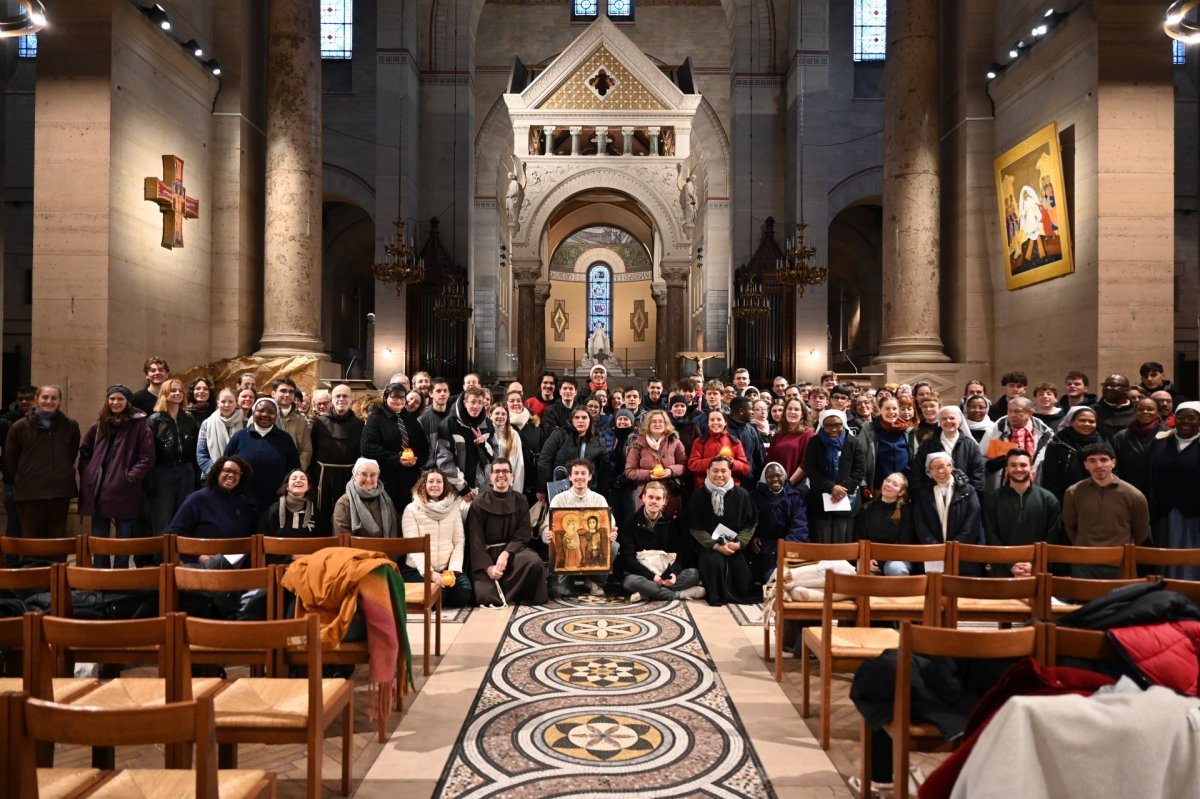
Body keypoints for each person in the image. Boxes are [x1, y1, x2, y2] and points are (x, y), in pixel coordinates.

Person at [78, 386, 155, 568]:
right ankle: (100, 576)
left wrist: (129, 478)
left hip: (124, 490)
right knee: (99, 538)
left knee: (124, 538)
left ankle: (120, 580)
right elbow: (85, 452)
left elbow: (147, 457)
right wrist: (89, 473)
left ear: (127, 402)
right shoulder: (99, 426)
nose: (116, 402)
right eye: (112, 399)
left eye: (120, 399)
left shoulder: (140, 427)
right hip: (98, 489)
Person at [465, 458, 548, 606]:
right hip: (486, 555)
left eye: (505, 471)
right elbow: (475, 541)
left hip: (513, 552)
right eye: (497, 471)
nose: (501, 475)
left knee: (535, 563)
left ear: (512, 476)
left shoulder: (520, 500)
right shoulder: (478, 502)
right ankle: (503, 591)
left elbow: (523, 533)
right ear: (490, 476)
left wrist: (506, 553)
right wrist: (488, 568)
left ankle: (518, 593)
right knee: (485, 596)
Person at [1062, 442, 1150, 577]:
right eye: (1092, 461)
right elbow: (1070, 525)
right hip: (1084, 564)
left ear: (1113, 463)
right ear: (1085, 465)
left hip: (1121, 563)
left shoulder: (1134, 495)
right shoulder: (1073, 493)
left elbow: (1141, 532)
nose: (1098, 466)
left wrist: (1121, 553)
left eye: (1104, 460)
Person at [687, 457, 758, 606]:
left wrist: (739, 543)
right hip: (708, 547)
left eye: (723, 471)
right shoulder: (698, 496)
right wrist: (715, 546)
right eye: (715, 471)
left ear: (730, 472)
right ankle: (716, 595)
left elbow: (750, 524)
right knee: (714, 562)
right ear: (708, 472)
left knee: (740, 570)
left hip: (735, 546)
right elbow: (695, 528)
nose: (719, 475)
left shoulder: (742, 495)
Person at [618, 481, 703, 602]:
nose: (654, 501)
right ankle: (678, 595)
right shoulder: (630, 523)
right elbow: (628, 559)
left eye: (658, 498)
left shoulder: (671, 524)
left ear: (664, 501)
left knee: (694, 573)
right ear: (643, 498)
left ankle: (648, 592)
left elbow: (679, 555)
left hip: (665, 573)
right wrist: (652, 577)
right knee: (630, 581)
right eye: (650, 497)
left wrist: (673, 574)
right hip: (643, 574)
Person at [544, 458, 618, 597]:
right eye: (576, 473)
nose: (579, 477)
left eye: (583, 473)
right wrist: (546, 535)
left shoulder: (599, 499)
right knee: (561, 592)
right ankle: (570, 580)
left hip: (590, 548)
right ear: (570, 477)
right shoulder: (558, 499)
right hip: (567, 552)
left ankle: (594, 581)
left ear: (590, 476)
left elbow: (610, 525)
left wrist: (611, 533)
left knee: (613, 546)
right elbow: (546, 527)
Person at [982, 449, 1061, 574]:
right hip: (1001, 569)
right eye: (1013, 465)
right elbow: (991, 536)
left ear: (1032, 468)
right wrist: (1009, 565)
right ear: (1007, 469)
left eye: (1023, 465)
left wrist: (1033, 564)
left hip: (1037, 569)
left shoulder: (1048, 499)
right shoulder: (992, 499)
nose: (1018, 469)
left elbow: (1052, 536)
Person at [401, 469, 471, 606]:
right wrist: (431, 573)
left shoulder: (453, 508)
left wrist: (452, 570)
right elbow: (414, 547)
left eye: (439, 481)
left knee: (464, 592)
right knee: (438, 596)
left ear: (444, 485)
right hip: (418, 570)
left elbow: (458, 542)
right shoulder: (411, 509)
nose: (435, 485)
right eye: (430, 481)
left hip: (446, 569)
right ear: (423, 484)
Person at [1147, 402, 1200, 579]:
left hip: (1195, 517)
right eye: (1181, 417)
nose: (1185, 421)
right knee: (1164, 559)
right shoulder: (1159, 443)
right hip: (1163, 514)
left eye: (1191, 417)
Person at [223, 397, 301, 513]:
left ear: (276, 415)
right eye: (260, 411)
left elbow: (294, 469)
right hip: (242, 500)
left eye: (271, 412)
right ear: (253, 412)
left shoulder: (285, 439)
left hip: (276, 502)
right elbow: (225, 466)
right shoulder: (239, 437)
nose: (265, 414)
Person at [362, 382, 430, 515]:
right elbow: (367, 447)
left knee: (408, 514)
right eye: (394, 397)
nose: (399, 401)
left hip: (409, 477)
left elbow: (424, 447)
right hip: (386, 477)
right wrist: (396, 458)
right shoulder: (376, 418)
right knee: (388, 515)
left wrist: (417, 459)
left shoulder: (410, 420)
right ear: (385, 397)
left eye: (402, 397)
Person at [146, 378, 200, 534]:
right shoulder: (154, 420)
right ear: (164, 394)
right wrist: (150, 480)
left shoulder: (189, 419)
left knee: (184, 518)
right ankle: (162, 558)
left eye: (180, 390)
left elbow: (195, 449)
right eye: (173, 390)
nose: (177, 393)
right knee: (162, 521)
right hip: (163, 472)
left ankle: (182, 558)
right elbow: (149, 453)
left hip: (186, 471)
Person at [804, 409, 866, 543]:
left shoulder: (853, 442)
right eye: (828, 425)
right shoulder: (815, 442)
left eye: (838, 425)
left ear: (843, 424)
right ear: (822, 425)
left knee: (844, 540)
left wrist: (842, 489)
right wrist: (831, 487)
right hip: (820, 498)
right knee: (822, 541)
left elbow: (860, 470)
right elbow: (810, 468)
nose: (833, 429)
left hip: (847, 497)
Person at [166, 455, 257, 545]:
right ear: (217, 472)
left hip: (238, 557)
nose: (231, 475)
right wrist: (198, 557)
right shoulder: (197, 499)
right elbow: (175, 533)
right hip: (203, 557)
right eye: (227, 471)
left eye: (236, 472)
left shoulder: (242, 502)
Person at [309, 383, 364, 530]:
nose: (341, 399)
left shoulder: (360, 425)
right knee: (323, 512)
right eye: (337, 396)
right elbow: (312, 451)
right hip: (324, 475)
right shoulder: (319, 422)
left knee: (347, 511)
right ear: (332, 400)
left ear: (351, 399)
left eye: (345, 396)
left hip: (349, 474)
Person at [748, 462, 807, 580]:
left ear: (784, 476)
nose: (775, 479)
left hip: (789, 544)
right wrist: (753, 536)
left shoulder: (795, 497)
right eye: (770, 476)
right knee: (768, 575)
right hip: (764, 545)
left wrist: (785, 546)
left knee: (790, 575)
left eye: (778, 475)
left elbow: (800, 526)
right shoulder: (754, 497)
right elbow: (748, 521)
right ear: (765, 479)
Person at [912, 452, 983, 550]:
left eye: (942, 466)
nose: (940, 471)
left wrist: (954, 546)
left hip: (962, 550)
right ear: (929, 472)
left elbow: (973, 520)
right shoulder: (924, 494)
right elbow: (920, 525)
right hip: (932, 551)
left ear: (950, 467)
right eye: (934, 468)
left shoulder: (968, 490)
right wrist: (935, 546)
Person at [979, 397, 1054, 489]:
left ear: (1030, 412)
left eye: (1017, 411)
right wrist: (992, 464)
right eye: (1009, 411)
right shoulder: (995, 431)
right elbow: (980, 458)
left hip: (1035, 485)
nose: (1012, 415)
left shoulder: (1045, 433)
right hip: (1001, 487)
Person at [624, 410, 688, 515]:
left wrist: (671, 471)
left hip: (670, 493)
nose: (657, 424)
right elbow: (629, 471)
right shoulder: (638, 443)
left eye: (660, 421)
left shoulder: (675, 441)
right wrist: (649, 475)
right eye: (653, 422)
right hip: (646, 494)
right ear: (648, 424)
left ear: (666, 424)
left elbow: (684, 465)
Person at [537, 406, 605, 501]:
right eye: (577, 417)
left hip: (584, 492)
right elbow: (544, 461)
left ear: (590, 421)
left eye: (584, 417)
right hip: (559, 490)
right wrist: (542, 489)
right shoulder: (559, 434)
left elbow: (605, 467)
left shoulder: (597, 441)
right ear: (571, 420)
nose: (580, 421)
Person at [910, 405, 984, 493]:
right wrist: (923, 493)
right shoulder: (928, 444)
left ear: (959, 421)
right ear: (939, 421)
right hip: (932, 494)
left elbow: (978, 473)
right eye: (944, 418)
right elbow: (917, 471)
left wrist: (971, 493)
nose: (948, 421)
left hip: (963, 494)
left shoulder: (971, 446)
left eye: (952, 418)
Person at [1039, 406, 1103, 502]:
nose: (1087, 424)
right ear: (1071, 422)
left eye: (1091, 421)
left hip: (1097, 497)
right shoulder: (1058, 443)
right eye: (1082, 420)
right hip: (1066, 498)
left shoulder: (1101, 442)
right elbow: (1050, 477)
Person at [856, 472, 914, 575]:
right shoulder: (867, 508)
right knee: (862, 568)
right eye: (887, 481)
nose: (889, 484)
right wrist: (867, 559)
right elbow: (861, 537)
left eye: (895, 484)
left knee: (896, 568)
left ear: (901, 492)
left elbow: (904, 541)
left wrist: (882, 561)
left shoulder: (906, 510)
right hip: (871, 558)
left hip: (897, 557)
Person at [0, 384, 36, 544]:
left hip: (36, 480)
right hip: (12, 480)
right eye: (21, 399)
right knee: (14, 524)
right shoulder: (4, 420)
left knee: (34, 526)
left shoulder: (42, 420)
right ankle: (12, 564)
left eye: (28, 399)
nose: (24, 402)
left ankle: (31, 563)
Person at [1111, 397, 1164, 500]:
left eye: (1150, 409)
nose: (1145, 412)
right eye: (1140, 409)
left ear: (1158, 412)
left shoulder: (1168, 435)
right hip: (1128, 492)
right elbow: (1114, 466)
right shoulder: (1120, 437)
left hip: (1160, 494)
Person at [333, 457, 399, 537]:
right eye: (363, 474)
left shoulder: (387, 500)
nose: (368, 479)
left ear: (378, 476)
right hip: (356, 549)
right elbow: (342, 537)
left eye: (372, 475)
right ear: (355, 475)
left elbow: (397, 527)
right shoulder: (344, 503)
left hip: (385, 548)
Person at [687, 409, 750, 489]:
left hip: (730, 490)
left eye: (719, 419)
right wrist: (714, 460)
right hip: (704, 489)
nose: (715, 422)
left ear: (725, 422)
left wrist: (732, 463)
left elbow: (745, 468)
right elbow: (692, 465)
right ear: (708, 423)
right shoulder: (699, 442)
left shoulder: (735, 442)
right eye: (712, 420)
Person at [257, 469, 318, 545]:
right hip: (278, 556)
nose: (298, 480)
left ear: (308, 487)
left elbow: (323, 544)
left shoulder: (316, 513)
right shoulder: (272, 512)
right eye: (294, 478)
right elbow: (262, 543)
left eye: (303, 478)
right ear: (287, 487)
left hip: (309, 556)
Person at [196, 388, 245, 481]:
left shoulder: (246, 423)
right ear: (218, 402)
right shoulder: (207, 424)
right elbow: (201, 454)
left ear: (236, 403)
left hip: (240, 477)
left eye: (230, 401)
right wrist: (217, 473)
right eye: (223, 401)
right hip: (212, 476)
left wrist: (237, 473)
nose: (226, 405)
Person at [484, 403, 527, 496]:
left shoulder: (513, 435)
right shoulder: (484, 433)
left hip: (507, 487)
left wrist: (517, 492)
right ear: (490, 415)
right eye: (497, 413)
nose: (500, 416)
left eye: (503, 414)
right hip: (487, 486)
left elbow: (519, 464)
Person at [271, 378, 312, 470]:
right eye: (283, 391)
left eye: (291, 392)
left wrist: (298, 471)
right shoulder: (261, 416)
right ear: (273, 393)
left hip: (291, 472)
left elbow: (306, 450)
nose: (287, 394)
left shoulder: (301, 420)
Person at [727, 396, 766, 485]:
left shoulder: (752, 430)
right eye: (751, 409)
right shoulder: (724, 429)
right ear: (741, 411)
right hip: (728, 481)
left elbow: (758, 457)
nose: (752, 412)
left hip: (750, 482)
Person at [1091, 374, 1136, 442]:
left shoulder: (1138, 410)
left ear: (1127, 390)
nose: (1108, 388)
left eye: (1113, 385)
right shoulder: (1092, 411)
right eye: (1105, 385)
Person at [418, 377, 453, 463]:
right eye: (438, 391)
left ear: (449, 393)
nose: (442, 394)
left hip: (453, 468)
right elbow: (420, 449)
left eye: (445, 391)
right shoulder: (422, 420)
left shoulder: (455, 418)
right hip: (431, 469)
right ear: (430, 394)